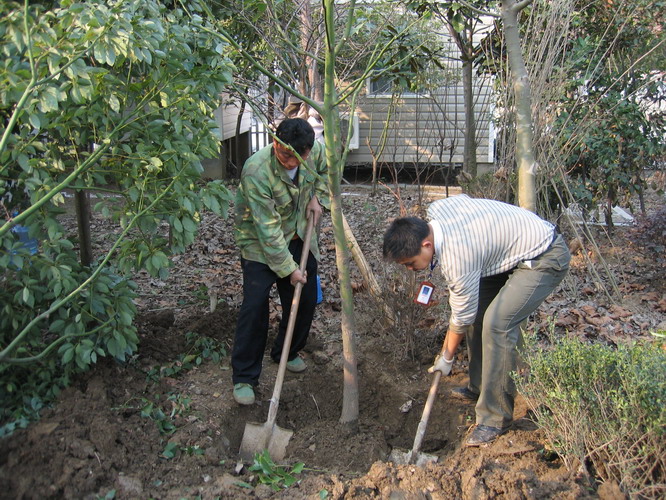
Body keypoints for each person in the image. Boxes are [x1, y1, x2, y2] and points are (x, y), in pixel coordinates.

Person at [382, 194, 570, 446]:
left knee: (498, 324)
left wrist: (446, 359)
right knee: (479, 315)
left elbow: (460, 315)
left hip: (543, 255)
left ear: (427, 245)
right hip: (500, 257)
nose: (409, 269)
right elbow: (468, 314)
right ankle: (479, 386)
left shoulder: (458, 258)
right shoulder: (439, 208)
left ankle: (495, 418)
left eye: (410, 263)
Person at [231, 118, 329, 405]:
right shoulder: (257, 171)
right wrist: (289, 270)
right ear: (275, 143)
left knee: (305, 299)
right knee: (255, 305)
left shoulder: (316, 153)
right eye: (283, 153)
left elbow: (326, 172)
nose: (288, 161)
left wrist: (317, 198)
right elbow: (268, 231)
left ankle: (286, 352)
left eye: (295, 157)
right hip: (259, 244)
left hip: (298, 233)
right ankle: (245, 377)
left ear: (307, 152)